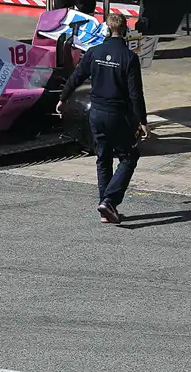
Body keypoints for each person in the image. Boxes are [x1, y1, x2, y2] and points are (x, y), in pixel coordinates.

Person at [56, 13, 150, 224]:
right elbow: (136, 94)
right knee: (129, 156)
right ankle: (110, 201)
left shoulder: (93, 52)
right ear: (125, 31)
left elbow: (76, 77)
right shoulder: (129, 58)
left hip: (96, 114)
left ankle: (105, 208)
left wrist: (63, 99)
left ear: (107, 30)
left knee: (103, 158)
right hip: (118, 116)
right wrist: (143, 121)